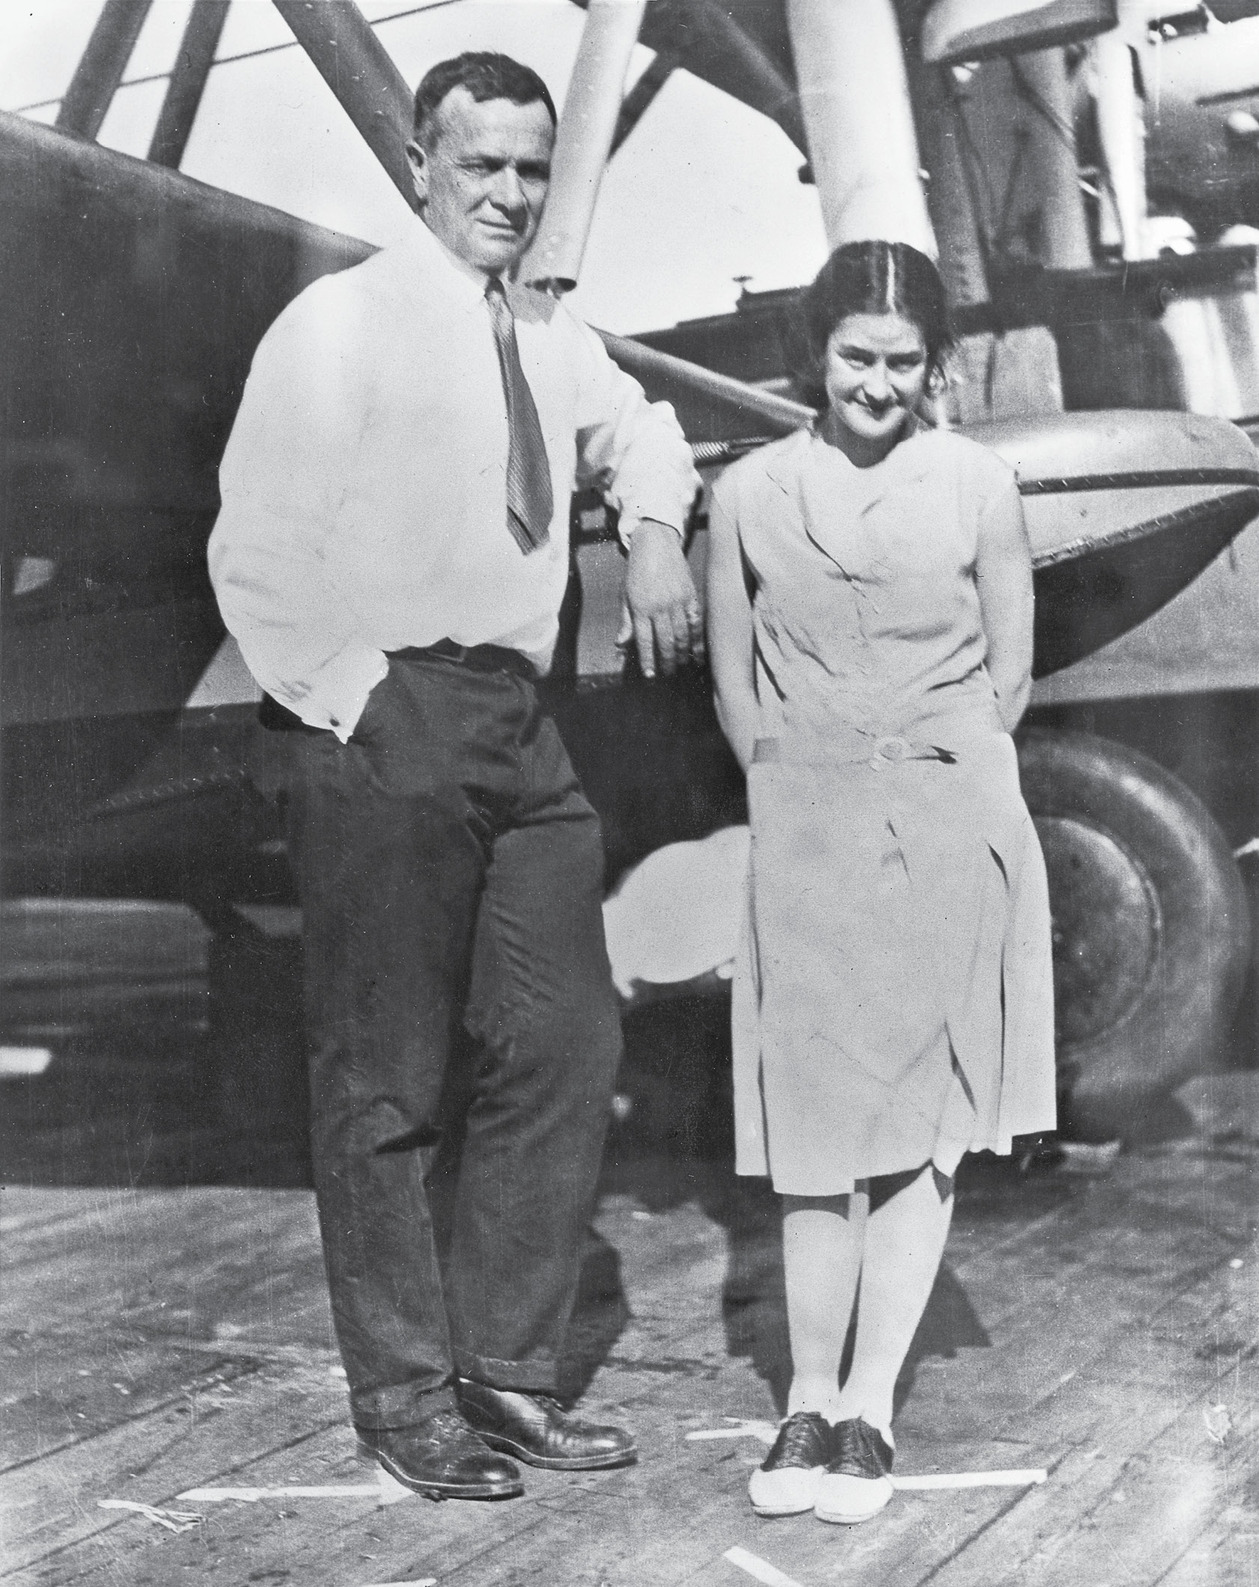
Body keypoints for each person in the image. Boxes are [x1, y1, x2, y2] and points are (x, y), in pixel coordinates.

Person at [208, 52, 701, 1501]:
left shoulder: (545, 335)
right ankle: (405, 1395)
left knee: (562, 1044)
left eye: (529, 170)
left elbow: (645, 430)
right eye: (479, 164)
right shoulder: (336, 324)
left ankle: (505, 1367)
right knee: (386, 1077)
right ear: (421, 165)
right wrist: (367, 709)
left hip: (519, 724)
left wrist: (657, 525)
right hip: (384, 712)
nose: (506, 194)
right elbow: (253, 552)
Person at [705, 240, 1055, 1526]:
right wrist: (803, 782)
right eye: (854, 356)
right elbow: (733, 685)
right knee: (812, 1133)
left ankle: (867, 1409)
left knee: (923, 1128)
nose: (876, 383)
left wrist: (928, 770)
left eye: (902, 362)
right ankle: (801, 1393)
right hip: (806, 826)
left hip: (950, 818)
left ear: (934, 366)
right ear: (814, 352)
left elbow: (1007, 677)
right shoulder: (747, 494)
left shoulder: (977, 484)